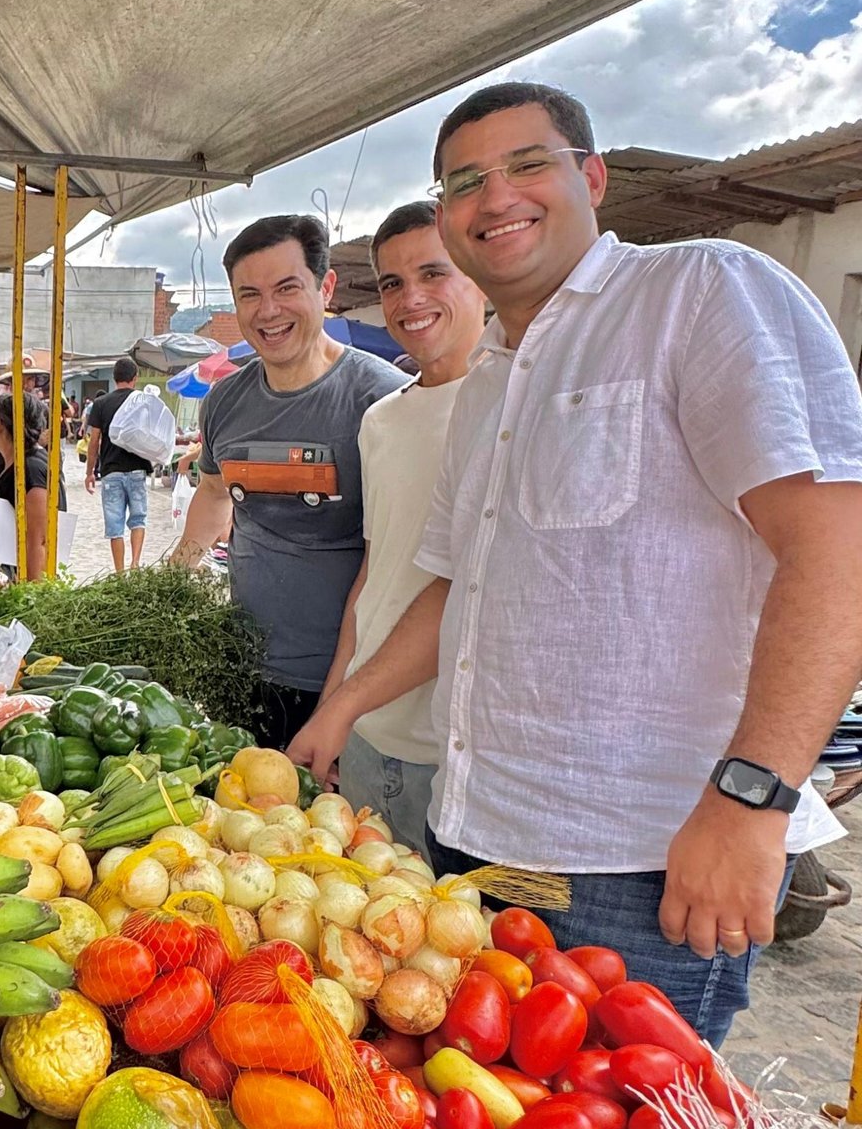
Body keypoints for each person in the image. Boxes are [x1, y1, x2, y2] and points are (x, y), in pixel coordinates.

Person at [288, 82, 862, 1044]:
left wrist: (752, 797)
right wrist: (342, 706)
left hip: (645, 862)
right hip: (477, 842)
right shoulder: (487, 381)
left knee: (631, 1120)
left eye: (527, 165)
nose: (494, 197)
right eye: (463, 182)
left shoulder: (699, 291)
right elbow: (458, 586)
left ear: (592, 177)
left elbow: (835, 548)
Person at [171, 214, 406, 749]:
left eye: (286, 288)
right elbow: (213, 493)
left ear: (326, 288)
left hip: (351, 686)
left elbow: (394, 558)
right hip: (242, 670)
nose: (268, 311)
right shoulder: (224, 401)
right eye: (249, 294)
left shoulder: (383, 400)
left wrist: (340, 703)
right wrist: (171, 584)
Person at [317, 202, 487, 860]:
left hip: (458, 757)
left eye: (433, 273)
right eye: (392, 283)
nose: (409, 298)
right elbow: (374, 572)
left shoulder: (511, 407)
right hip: (366, 737)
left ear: (478, 275)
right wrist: (336, 707)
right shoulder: (380, 420)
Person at [0, 392, 66, 578]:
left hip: (17, 581)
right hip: (3, 575)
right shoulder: (18, 463)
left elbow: (39, 542)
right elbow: (10, 526)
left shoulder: (32, 469)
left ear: (0, 426)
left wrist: (30, 592)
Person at [85, 357, 154, 571]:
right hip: (137, 468)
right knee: (138, 519)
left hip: (111, 470)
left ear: (114, 378)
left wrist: (89, 472)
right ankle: (135, 564)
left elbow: (94, 441)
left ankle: (119, 572)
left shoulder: (100, 404)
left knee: (115, 526)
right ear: (135, 378)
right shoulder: (142, 401)